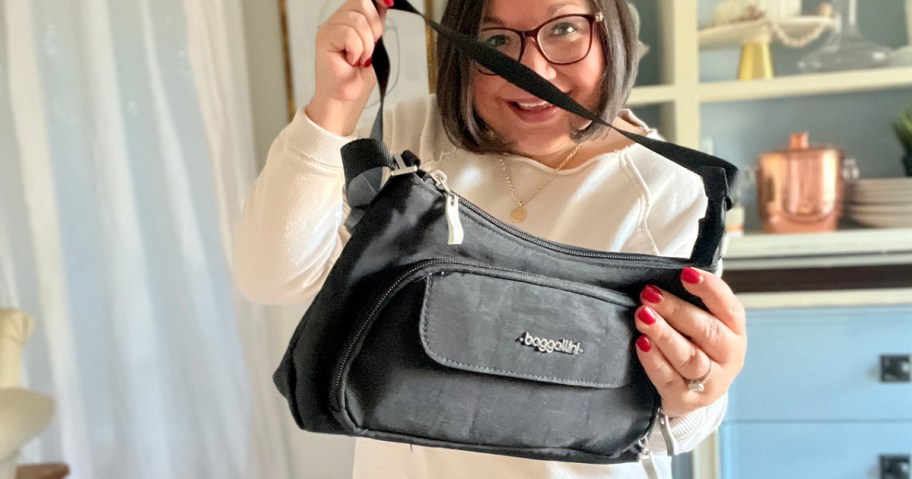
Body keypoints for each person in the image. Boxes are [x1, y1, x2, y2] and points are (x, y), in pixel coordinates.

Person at [233, 0, 748, 477]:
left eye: (565, 29)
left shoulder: (676, 189)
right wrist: (334, 107)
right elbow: (270, 277)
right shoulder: (411, 132)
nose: (534, 70)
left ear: (609, 30)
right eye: (497, 41)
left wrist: (696, 394)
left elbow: (659, 433)